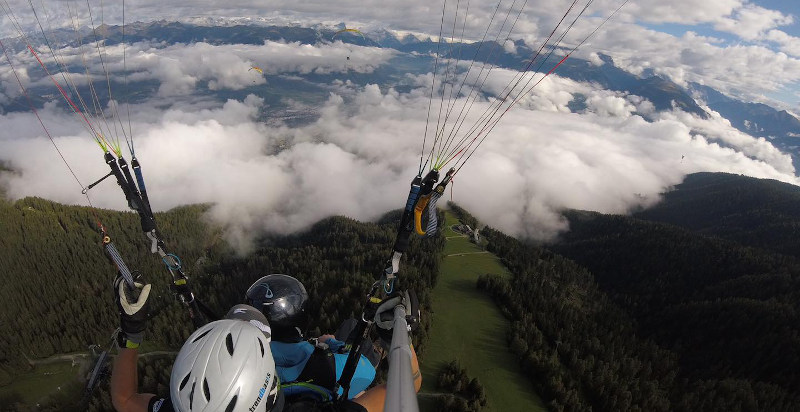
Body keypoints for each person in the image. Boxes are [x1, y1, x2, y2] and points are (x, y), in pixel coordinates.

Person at [110, 273, 421, 412]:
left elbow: (124, 400)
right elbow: (410, 385)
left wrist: (131, 333)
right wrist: (399, 333)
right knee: (353, 333)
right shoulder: (324, 368)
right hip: (333, 367)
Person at [245, 274, 422, 410]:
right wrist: (333, 342)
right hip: (336, 373)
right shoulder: (323, 365)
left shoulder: (244, 366)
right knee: (352, 328)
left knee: (350, 325)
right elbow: (406, 384)